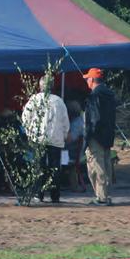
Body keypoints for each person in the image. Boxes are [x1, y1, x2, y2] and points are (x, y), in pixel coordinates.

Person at [21, 75, 70, 203]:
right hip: (55, 138)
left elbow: (25, 117)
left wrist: (29, 132)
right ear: (53, 86)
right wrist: (64, 134)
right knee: (55, 167)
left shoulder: (34, 100)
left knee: (39, 166)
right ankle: (55, 195)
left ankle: (38, 193)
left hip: (38, 138)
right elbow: (65, 121)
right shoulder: (59, 101)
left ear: (40, 86)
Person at [83, 68, 117, 206]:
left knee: (96, 168)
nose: (86, 81)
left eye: (87, 79)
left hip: (96, 137)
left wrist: (88, 135)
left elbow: (94, 119)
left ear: (92, 80)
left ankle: (101, 197)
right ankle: (104, 195)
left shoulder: (94, 96)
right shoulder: (110, 95)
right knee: (106, 166)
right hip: (108, 136)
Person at [64, 100, 86, 191]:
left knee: (54, 156)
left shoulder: (77, 123)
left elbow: (70, 139)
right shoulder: (78, 120)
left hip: (73, 153)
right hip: (74, 151)